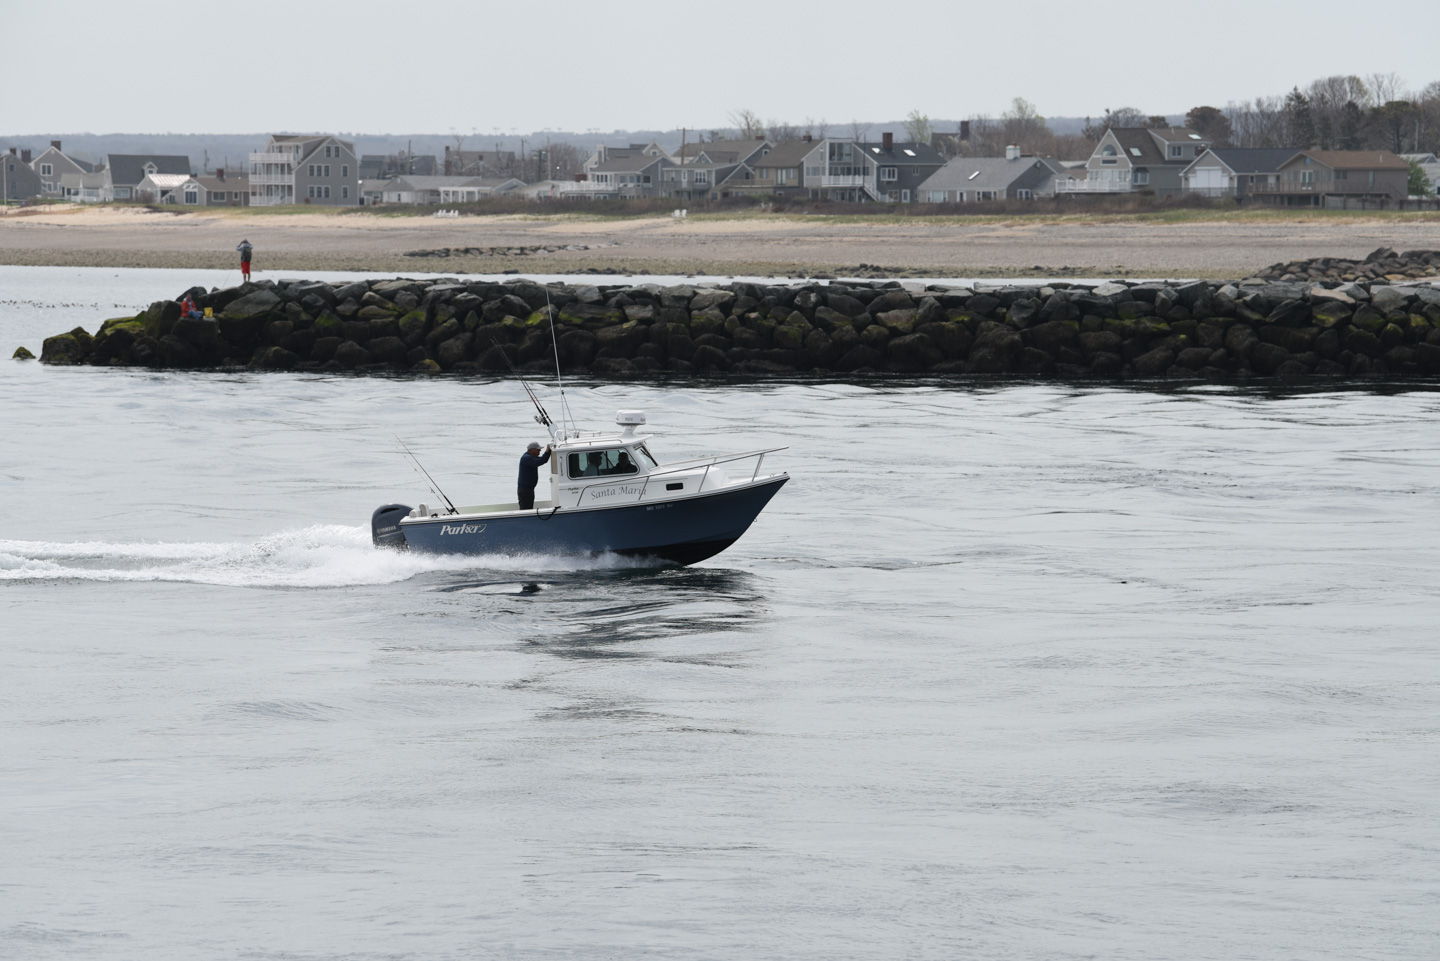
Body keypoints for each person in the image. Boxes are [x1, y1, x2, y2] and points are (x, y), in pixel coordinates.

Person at [517, 441, 553, 510]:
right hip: (525, 490)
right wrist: (547, 450)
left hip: (529, 490)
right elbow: (540, 461)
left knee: (528, 508)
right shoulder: (526, 458)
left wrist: (549, 451)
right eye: (538, 450)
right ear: (532, 450)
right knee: (525, 510)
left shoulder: (531, 457)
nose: (539, 452)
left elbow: (544, 460)